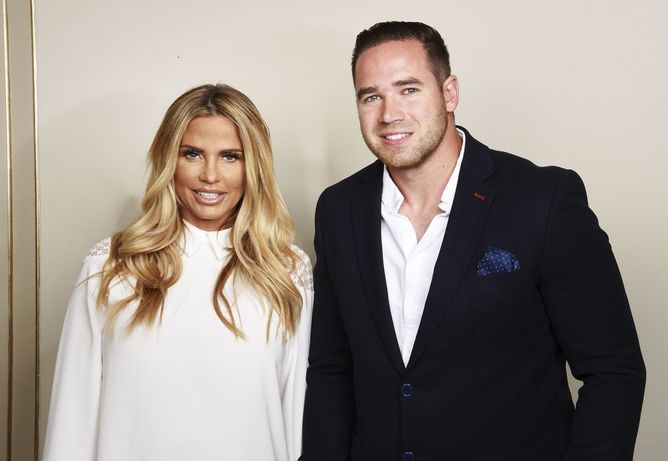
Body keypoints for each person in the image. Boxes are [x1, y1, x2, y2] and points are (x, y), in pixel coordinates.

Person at [301, 21, 645, 461]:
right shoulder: (338, 209)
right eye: (371, 97)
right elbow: (331, 370)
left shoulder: (543, 200)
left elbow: (613, 371)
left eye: (409, 89)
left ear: (449, 93)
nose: (389, 114)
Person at [43, 83, 312, 461]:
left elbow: (296, 421)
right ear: (169, 159)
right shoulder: (111, 266)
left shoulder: (286, 271)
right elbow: (72, 421)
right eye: (192, 154)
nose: (210, 175)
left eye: (230, 156)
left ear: (254, 166)